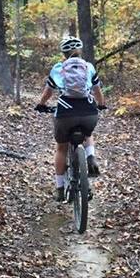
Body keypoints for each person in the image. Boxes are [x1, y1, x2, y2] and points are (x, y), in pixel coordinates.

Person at [35, 36, 106, 202]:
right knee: (87, 133)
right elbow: (97, 91)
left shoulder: (59, 68)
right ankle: (90, 156)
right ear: (79, 51)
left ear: (64, 53)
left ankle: (60, 189)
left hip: (65, 114)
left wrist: (41, 104)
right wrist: (101, 104)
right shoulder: (88, 67)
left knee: (61, 148)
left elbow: (48, 92)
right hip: (88, 112)